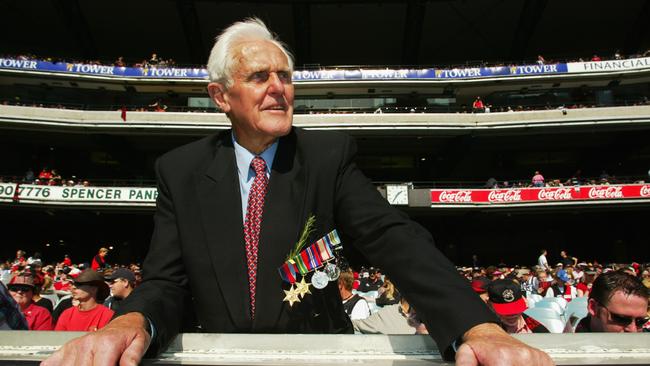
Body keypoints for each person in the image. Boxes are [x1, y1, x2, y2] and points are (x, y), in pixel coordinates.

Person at [44, 18, 552, 366]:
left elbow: (395, 240)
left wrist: (477, 327)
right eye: (259, 76)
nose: (278, 87)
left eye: (284, 76)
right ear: (221, 95)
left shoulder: (326, 159)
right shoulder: (181, 169)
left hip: (317, 355)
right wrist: (129, 321)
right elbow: (166, 281)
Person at [575, 270, 649, 332]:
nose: (633, 331)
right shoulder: (568, 347)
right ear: (593, 307)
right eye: (621, 319)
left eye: (640, 321)